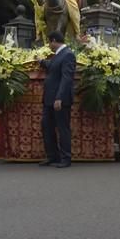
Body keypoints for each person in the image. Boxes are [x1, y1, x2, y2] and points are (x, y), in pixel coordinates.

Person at [38, 30, 76, 168]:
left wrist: (59, 97)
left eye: (49, 42)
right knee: (46, 126)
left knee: (62, 128)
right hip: (49, 99)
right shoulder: (58, 55)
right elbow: (53, 67)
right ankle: (52, 156)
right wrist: (41, 61)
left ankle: (66, 158)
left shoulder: (68, 54)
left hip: (59, 100)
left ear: (54, 40)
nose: (49, 45)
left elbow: (67, 78)